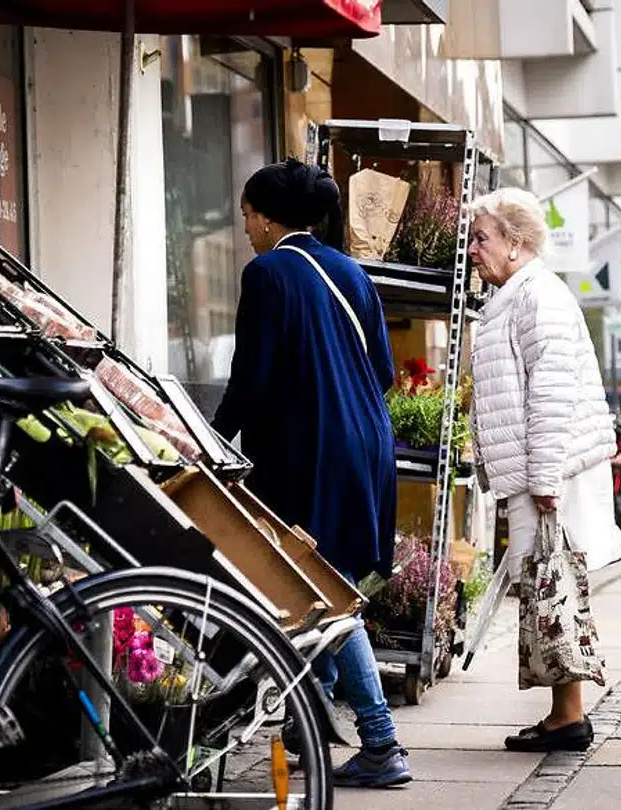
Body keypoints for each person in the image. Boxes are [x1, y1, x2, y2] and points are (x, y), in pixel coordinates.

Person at [212, 158, 410, 788]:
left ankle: (380, 742)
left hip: (311, 447)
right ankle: (308, 726)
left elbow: (252, 378)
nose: (244, 226)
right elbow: (381, 369)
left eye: (246, 213)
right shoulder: (350, 269)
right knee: (327, 578)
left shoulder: (268, 273)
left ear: (269, 217)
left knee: (323, 589)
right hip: (368, 439)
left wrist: (212, 441)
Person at [464, 187, 621, 753]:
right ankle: (564, 714)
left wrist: (546, 481)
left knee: (556, 589)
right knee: (548, 590)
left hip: (552, 473)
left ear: (516, 242)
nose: (473, 248)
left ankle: (569, 717)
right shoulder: (516, 295)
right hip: (540, 472)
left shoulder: (539, 297)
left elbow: (552, 394)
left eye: (482, 237)